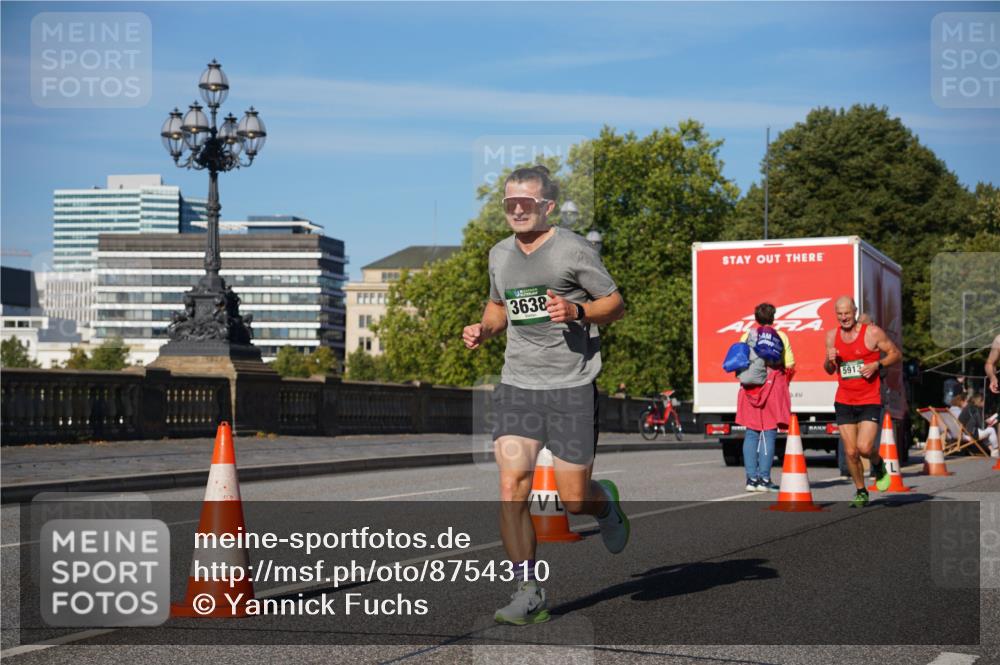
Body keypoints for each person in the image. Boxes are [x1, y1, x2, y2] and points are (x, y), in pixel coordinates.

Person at [462, 165, 627, 626]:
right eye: (509, 203)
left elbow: (614, 304)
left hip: (572, 386)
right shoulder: (499, 254)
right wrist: (484, 329)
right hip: (518, 385)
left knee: (573, 500)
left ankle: (604, 504)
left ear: (547, 206)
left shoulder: (573, 249)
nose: (516, 210)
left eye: (526, 203)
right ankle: (528, 589)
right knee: (512, 487)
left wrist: (577, 309)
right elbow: (498, 306)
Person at [825, 296, 902, 507]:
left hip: (869, 398)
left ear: (855, 311)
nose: (844, 318)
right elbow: (830, 370)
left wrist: (877, 364)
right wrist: (828, 359)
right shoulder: (831, 336)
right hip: (844, 399)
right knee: (850, 451)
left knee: (865, 448)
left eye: (847, 313)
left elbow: (895, 354)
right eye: (839, 314)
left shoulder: (872, 332)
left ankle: (878, 464)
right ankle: (861, 491)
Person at [735, 303, 794, 492]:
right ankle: (764, 479)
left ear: (756, 318)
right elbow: (790, 364)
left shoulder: (746, 336)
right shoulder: (781, 336)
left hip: (750, 388)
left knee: (751, 433)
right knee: (768, 433)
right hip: (772, 388)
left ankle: (751, 480)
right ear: (773, 318)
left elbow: (739, 361)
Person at [959, 393, 999, 457]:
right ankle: (996, 450)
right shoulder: (975, 409)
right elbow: (981, 425)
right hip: (968, 434)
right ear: (979, 401)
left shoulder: (969, 407)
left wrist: (985, 422)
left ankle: (993, 452)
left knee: (986, 433)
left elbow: (975, 422)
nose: (984, 403)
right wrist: (987, 422)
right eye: (983, 401)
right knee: (991, 430)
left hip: (964, 432)